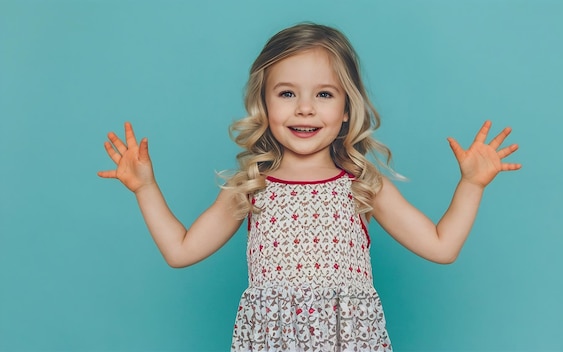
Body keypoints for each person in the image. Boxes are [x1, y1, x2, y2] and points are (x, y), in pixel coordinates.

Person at [98, 23, 521, 352]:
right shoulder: (251, 187)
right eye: (286, 93)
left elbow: (441, 247)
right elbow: (180, 251)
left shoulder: (362, 185)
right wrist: (145, 188)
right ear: (263, 104)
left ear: (345, 109)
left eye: (323, 94)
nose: (305, 107)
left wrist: (471, 184)